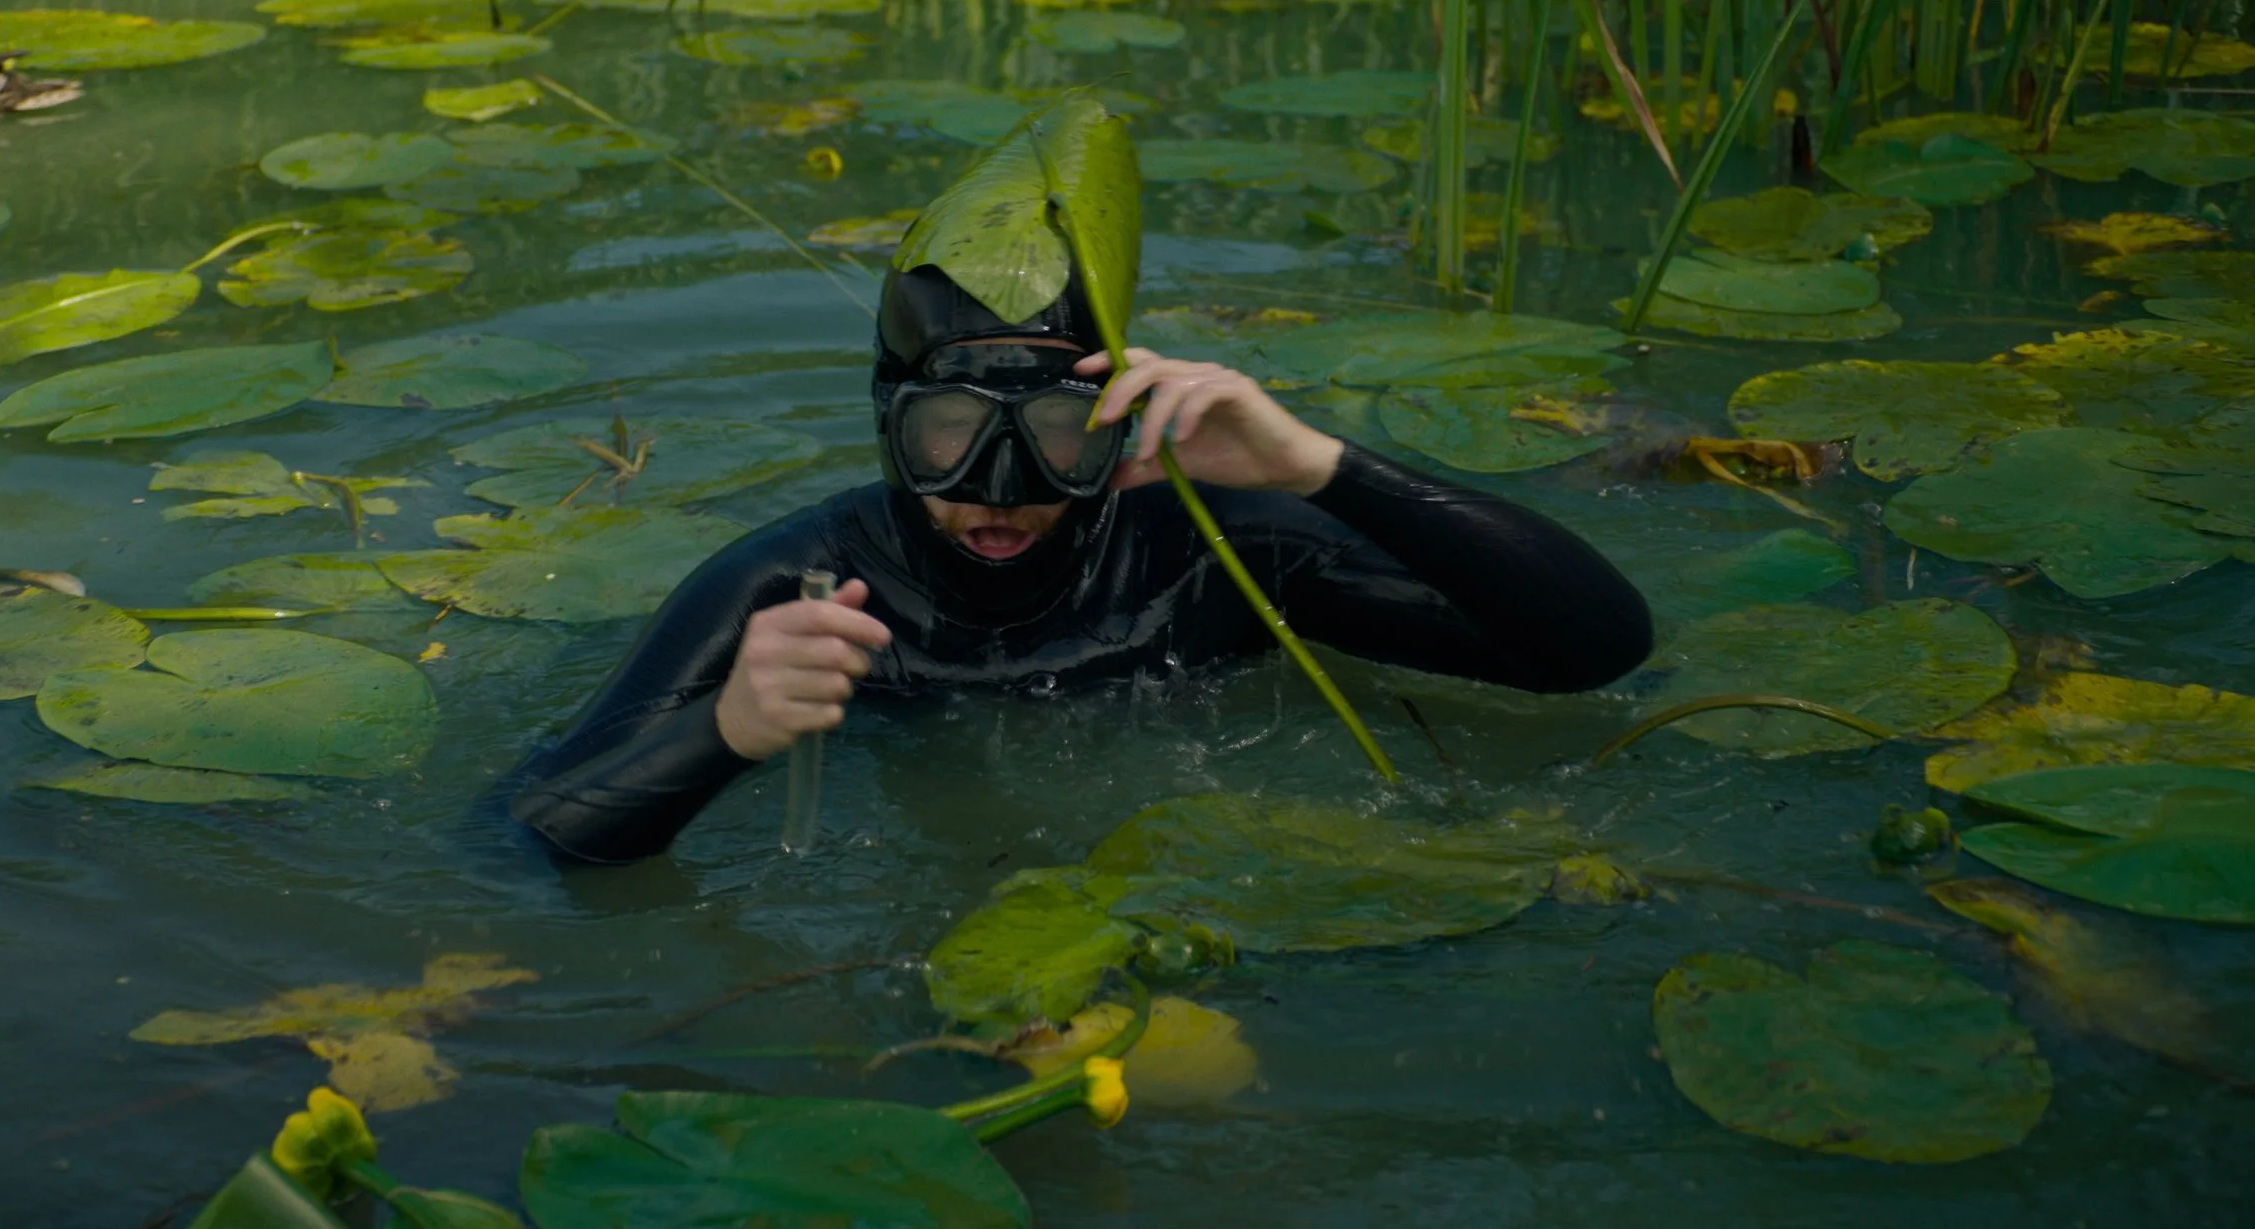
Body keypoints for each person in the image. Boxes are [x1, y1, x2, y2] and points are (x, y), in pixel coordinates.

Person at [508, 264, 1654, 864]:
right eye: (948, 435)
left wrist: (1312, 464)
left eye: (1058, 436)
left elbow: (1591, 651)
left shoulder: (1220, 550)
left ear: (1116, 420)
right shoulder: (799, 586)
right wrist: (729, 728)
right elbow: (535, 830)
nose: (999, 488)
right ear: (887, 426)